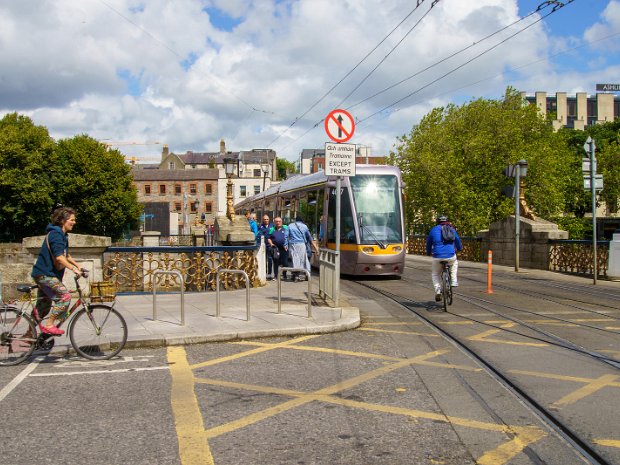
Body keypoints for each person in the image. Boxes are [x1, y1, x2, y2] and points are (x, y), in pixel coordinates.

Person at [31, 205, 83, 335]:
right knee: (65, 297)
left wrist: (78, 266)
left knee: (43, 307)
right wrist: (72, 269)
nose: (74, 222)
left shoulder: (63, 235)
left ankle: (28, 335)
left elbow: (65, 255)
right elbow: (59, 258)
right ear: (62, 221)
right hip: (45, 275)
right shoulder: (56, 234)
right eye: (72, 219)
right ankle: (49, 325)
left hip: (45, 274)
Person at [426, 215, 462, 302]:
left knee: (435, 274)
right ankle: (454, 280)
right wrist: (459, 248)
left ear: (437, 222)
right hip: (450, 255)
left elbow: (428, 243)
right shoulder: (451, 229)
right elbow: (457, 240)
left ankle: (438, 291)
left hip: (437, 256)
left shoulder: (433, 230)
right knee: (454, 263)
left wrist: (428, 252)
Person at [288, 215, 319, 282]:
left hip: (294, 245)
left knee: (295, 260)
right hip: (305, 248)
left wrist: (286, 244)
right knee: (305, 261)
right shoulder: (305, 227)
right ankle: (306, 275)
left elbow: (286, 236)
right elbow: (310, 239)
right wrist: (316, 249)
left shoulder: (290, 226)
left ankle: (296, 275)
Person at [267, 217, 289, 281]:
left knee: (285, 263)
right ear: (274, 222)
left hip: (284, 248)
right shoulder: (272, 229)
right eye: (276, 221)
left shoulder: (286, 228)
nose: (278, 223)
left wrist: (287, 244)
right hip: (275, 249)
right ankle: (276, 276)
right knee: (276, 262)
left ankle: (284, 275)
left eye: (279, 221)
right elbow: (268, 238)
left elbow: (289, 236)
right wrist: (271, 244)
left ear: (281, 222)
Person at [258, 214, 274, 278]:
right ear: (262, 220)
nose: (266, 220)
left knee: (270, 259)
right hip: (263, 245)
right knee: (263, 260)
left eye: (267, 219)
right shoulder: (260, 226)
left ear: (269, 219)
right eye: (265, 219)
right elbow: (259, 234)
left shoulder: (272, 225)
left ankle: (269, 273)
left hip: (269, 245)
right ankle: (264, 272)